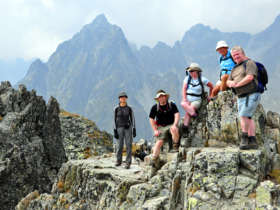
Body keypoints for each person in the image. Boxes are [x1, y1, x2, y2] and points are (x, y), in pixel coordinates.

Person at [226, 46, 260, 150]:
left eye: (237, 54)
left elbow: (250, 77)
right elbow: (227, 81)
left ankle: (244, 138)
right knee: (248, 117)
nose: (235, 57)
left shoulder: (249, 63)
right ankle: (253, 140)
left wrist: (237, 84)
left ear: (243, 53)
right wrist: (230, 82)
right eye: (233, 55)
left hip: (251, 94)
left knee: (243, 115)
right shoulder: (234, 68)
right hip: (240, 96)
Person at [149, 90, 180, 165]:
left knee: (174, 130)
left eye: (163, 96)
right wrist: (155, 130)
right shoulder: (155, 107)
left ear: (165, 97)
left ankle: (175, 146)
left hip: (170, 124)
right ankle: (154, 159)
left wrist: (175, 124)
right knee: (159, 142)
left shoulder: (171, 105)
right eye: (160, 97)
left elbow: (177, 114)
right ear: (158, 99)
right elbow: (151, 119)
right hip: (161, 127)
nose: (161, 98)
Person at [181, 63, 213, 130]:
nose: (190, 73)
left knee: (188, 111)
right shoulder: (187, 79)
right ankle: (194, 114)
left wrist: (210, 96)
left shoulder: (203, 79)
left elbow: (211, 86)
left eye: (192, 71)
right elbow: (184, 89)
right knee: (183, 104)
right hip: (187, 99)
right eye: (190, 71)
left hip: (197, 100)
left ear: (197, 71)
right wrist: (184, 99)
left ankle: (185, 127)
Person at [113, 92, 136, 169]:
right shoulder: (116, 109)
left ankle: (128, 163)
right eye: (121, 97)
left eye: (124, 97)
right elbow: (114, 120)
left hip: (128, 128)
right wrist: (114, 130)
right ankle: (118, 161)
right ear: (119, 99)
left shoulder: (129, 108)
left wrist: (134, 129)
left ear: (126, 98)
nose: (123, 98)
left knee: (129, 145)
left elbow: (133, 119)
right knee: (119, 145)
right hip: (119, 128)